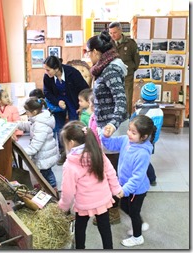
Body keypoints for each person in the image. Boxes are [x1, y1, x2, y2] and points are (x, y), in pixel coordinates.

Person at [58, 120, 122, 249]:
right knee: (105, 227)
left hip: (84, 203)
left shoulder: (70, 164)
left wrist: (62, 207)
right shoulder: (98, 152)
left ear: (70, 143)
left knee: (80, 229)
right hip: (103, 199)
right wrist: (116, 189)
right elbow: (110, 172)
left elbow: (68, 191)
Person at [86, 30, 128, 224]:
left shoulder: (110, 70)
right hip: (106, 125)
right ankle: (110, 206)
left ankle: (113, 211)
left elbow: (121, 101)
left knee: (111, 170)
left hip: (113, 128)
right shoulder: (103, 68)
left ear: (96, 52)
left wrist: (111, 123)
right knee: (108, 167)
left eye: (89, 53)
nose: (88, 57)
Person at [101, 115, 156, 247]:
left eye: (133, 132)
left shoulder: (142, 153)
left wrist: (125, 190)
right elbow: (110, 144)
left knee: (134, 212)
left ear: (143, 137)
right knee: (125, 207)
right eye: (129, 129)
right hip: (125, 186)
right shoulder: (127, 140)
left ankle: (137, 237)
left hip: (137, 190)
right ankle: (141, 224)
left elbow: (137, 177)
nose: (129, 133)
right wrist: (106, 136)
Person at [43, 56, 89, 165]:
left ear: (56, 68)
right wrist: (57, 101)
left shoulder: (72, 73)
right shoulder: (47, 77)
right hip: (58, 103)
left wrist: (82, 104)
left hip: (73, 100)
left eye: (48, 70)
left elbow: (85, 89)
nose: (46, 72)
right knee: (59, 127)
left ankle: (77, 152)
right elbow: (46, 92)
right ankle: (63, 151)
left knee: (75, 126)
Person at [17, 97, 58, 191]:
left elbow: (35, 146)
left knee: (47, 173)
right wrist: (16, 124)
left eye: (27, 111)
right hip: (45, 153)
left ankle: (53, 189)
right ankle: (46, 186)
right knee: (44, 173)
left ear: (34, 112)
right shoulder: (39, 119)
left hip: (45, 155)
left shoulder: (40, 125)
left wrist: (23, 152)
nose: (26, 113)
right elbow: (29, 126)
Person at [130, 82, 164, 186]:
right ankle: (150, 178)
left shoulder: (140, 111)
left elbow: (132, 121)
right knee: (146, 158)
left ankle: (152, 178)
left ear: (142, 96)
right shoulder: (160, 111)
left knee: (143, 160)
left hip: (142, 139)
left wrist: (135, 111)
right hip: (153, 139)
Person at [109, 22, 140, 116]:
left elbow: (136, 60)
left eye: (114, 32)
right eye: (110, 33)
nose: (112, 35)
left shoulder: (130, 43)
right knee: (113, 98)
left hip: (127, 76)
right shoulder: (108, 44)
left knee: (127, 98)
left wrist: (130, 70)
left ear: (120, 30)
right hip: (113, 75)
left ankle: (126, 119)